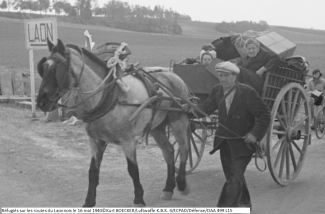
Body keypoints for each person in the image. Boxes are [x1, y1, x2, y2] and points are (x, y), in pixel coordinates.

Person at [185, 61, 271, 210]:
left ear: (234, 76)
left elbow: (264, 115)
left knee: (234, 176)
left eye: (226, 76)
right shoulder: (217, 90)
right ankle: (245, 204)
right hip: (224, 142)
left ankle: (224, 208)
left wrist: (255, 134)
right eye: (220, 75)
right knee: (233, 176)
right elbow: (207, 108)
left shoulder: (247, 92)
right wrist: (189, 111)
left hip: (244, 143)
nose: (223, 79)